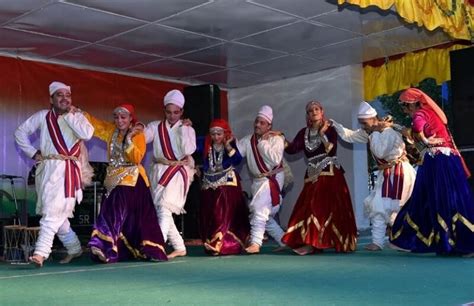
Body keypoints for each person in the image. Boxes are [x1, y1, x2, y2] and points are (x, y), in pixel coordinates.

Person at [14, 81, 94, 267]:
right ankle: (74, 249)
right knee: (59, 215)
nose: (65, 98)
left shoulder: (78, 116)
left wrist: (70, 115)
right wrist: (33, 153)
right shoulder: (42, 116)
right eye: (60, 95)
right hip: (47, 170)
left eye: (68, 95)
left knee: (51, 214)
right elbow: (20, 132)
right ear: (51, 99)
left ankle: (40, 253)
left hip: (68, 172)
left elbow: (87, 134)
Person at [390, 88, 474, 256]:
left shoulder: (420, 113)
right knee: (451, 198)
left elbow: (418, 128)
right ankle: (456, 241)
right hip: (448, 159)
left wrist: (426, 140)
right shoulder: (431, 112)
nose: (404, 110)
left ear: (411, 104)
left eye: (405, 106)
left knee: (429, 198)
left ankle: (443, 241)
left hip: (438, 161)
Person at [85, 104, 168, 263]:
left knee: (113, 211)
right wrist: (80, 113)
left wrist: (129, 140)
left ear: (131, 118)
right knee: (128, 220)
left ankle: (102, 244)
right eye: (116, 117)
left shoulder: (138, 134)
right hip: (113, 180)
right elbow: (95, 125)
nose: (119, 120)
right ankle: (116, 248)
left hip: (132, 180)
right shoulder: (111, 131)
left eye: (123, 117)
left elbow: (137, 158)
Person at [331, 101, 416, 251]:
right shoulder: (371, 132)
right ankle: (379, 242)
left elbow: (380, 152)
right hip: (387, 174)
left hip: (399, 173)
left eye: (364, 123)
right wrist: (335, 125)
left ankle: (404, 240)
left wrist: (376, 132)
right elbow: (350, 136)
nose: (363, 126)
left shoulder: (387, 132)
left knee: (396, 208)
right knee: (380, 206)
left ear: (373, 119)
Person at [281, 101, 357, 255]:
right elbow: (292, 149)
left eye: (316, 109)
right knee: (308, 206)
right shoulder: (304, 133)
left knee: (318, 207)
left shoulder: (330, 128)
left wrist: (322, 134)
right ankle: (312, 242)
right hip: (311, 175)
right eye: (310, 110)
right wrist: (280, 138)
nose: (314, 112)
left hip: (329, 173)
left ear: (322, 111)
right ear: (308, 115)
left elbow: (330, 149)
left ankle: (314, 243)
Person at [144, 89, 196, 259]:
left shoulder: (187, 128)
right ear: (164, 111)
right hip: (159, 171)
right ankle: (180, 247)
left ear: (181, 112)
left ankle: (157, 246)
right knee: (162, 208)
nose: (172, 116)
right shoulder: (155, 126)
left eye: (176, 112)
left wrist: (184, 130)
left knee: (165, 208)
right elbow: (142, 139)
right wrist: (136, 128)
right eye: (169, 112)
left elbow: (189, 150)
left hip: (178, 171)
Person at [237, 105, 286, 254]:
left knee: (260, 210)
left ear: (269, 125)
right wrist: (228, 142)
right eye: (256, 121)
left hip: (272, 178)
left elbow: (275, 159)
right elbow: (235, 156)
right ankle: (284, 240)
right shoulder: (247, 141)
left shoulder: (276, 139)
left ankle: (256, 243)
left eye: (262, 123)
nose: (257, 125)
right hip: (257, 181)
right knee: (264, 214)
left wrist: (263, 143)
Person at [199, 119, 250, 255]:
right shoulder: (205, 144)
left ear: (225, 134)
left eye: (219, 134)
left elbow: (238, 160)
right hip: (209, 184)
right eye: (213, 134)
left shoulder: (230, 143)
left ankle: (221, 243)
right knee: (210, 214)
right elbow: (189, 145)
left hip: (227, 185)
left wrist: (228, 146)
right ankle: (213, 242)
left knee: (220, 213)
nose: (216, 137)